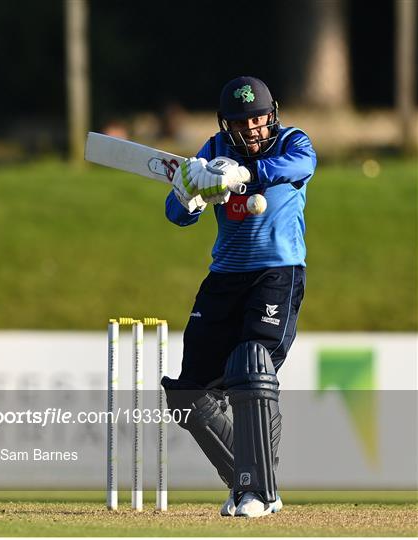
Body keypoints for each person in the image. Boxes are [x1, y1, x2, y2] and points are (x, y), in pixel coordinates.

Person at [161, 76, 317, 518]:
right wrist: (189, 195)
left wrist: (244, 174)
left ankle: (257, 493)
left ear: (273, 115)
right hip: (224, 278)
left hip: (276, 273)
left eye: (258, 118)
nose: (251, 128)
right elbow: (176, 215)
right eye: (240, 121)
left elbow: (300, 166)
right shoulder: (212, 150)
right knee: (188, 395)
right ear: (224, 123)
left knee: (251, 365)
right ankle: (251, 483)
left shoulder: (293, 140)